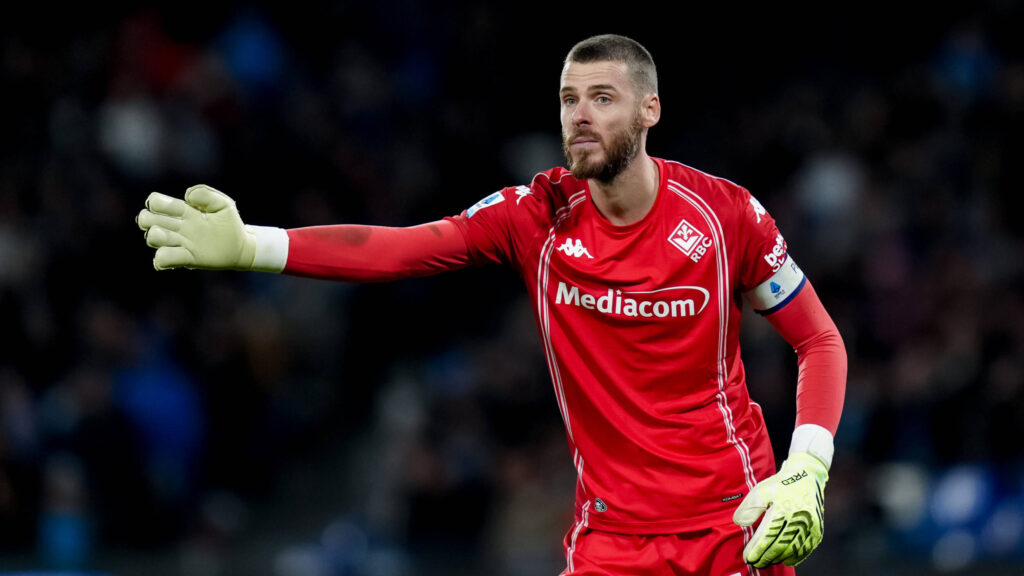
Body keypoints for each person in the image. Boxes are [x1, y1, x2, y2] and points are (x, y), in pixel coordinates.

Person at [137, 34, 846, 576]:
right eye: (569, 98)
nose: (580, 115)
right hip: (613, 539)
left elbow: (818, 339)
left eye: (603, 97)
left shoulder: (725, 216)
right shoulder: (533, 215)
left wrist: (807, 466)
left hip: (733, 523)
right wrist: (255, 245)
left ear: (649, 109)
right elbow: (399, 249)